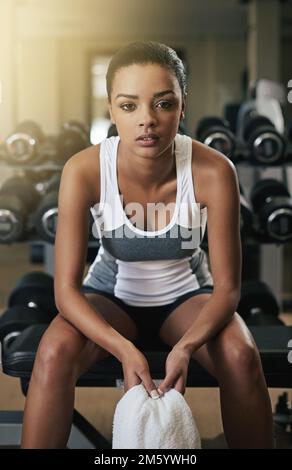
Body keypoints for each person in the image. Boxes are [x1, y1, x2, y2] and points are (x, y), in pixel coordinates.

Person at [21, 41, 274, 449]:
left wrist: (187, 346)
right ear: (110, 109)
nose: (147, 121)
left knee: (243, 358)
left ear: (182, 106)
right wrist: (124, 349)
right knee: (51, 356)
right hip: (111, 295)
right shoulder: (84, 170)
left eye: (163, 104)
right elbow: (66, 291)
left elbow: (228, 289)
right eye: (129, 106)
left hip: (188, 297)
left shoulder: (214, 171)